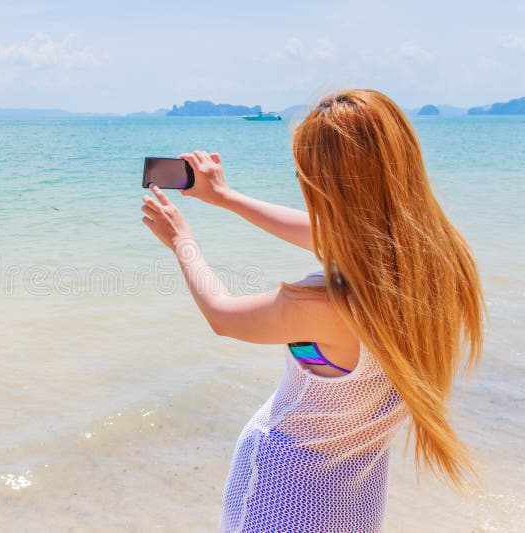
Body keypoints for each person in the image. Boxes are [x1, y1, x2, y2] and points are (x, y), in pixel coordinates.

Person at [140, 89, 484, 533]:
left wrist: (182, 242)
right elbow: (341, 235)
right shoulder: (439, 261)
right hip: (354, 498)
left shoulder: (327, 305)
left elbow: (222, 316)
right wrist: (225, 197)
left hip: (279, 496)